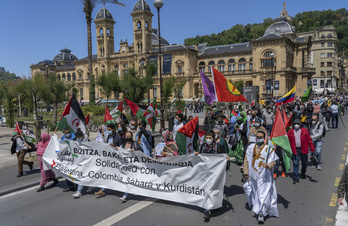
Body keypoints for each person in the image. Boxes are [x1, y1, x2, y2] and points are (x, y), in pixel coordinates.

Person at [243, 131, 279, 224]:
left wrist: (268, 165)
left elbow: (273, 162)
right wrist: (246, 173)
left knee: (263, 194)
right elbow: (246, 161)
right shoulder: (250, 148)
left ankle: (261, 214)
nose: (259, 138)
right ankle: (257, 208)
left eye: (261, 137)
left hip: (264, 176)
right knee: (256, 193)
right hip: (253, 175)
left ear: (264, 138)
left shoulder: (268, 149)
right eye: (258, 137)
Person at [195, 130, 228, 221]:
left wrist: (226, 158)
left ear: (214, 139)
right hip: (205, 172)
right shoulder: (203, 146)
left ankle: (212, 207)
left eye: (210, 138)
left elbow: (223, 157)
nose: (208, 139)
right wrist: (197, 155)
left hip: (215, 173)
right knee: (207, 189)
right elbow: (201, 158)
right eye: (207, 138)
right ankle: (207, 208)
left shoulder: (219, 147)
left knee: (213, 190)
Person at [95, 123, 122, 197]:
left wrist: (116, 147)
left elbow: (122, 148)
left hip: (116, 159)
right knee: (106, 173)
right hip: (108, 159)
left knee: (116, 174)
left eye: (109, 130)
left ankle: (120, 187)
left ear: (113, 129)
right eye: (107, 129)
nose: (108, 131)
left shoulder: (118, 137)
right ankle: (102, 190)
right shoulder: (107, 136)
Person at [288, 119, 315, 184]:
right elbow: (288, 141)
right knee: (295, 163)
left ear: (300, 125)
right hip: (295, 150)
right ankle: (296, 177)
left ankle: (303, 172)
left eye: (297, 124)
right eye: (295, 124)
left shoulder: (305, 131)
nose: (296, 125)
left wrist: (312, 148)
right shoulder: (290, 132)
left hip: (303, 149)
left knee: (304, 163)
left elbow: (309, 140)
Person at [119, 131, 143, 202]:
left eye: (129, 136)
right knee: (127, 180)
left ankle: (126, 194)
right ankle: (127, 193)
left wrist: (134, 151)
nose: (128, 138)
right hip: (126, 166)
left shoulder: (135, 144)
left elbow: (141, 152)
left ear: (132, 136)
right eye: (127, 136)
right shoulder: (123, 144)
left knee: (130, 179)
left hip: (134, 165)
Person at [73, 129, 90, 198]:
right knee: (81, 175)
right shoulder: (76, 141)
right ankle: (89, 186)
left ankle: (79, 191)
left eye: (79, 137)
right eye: (77, 138)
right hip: (79, 160)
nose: (78, 139)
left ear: (82, 135)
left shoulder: (87, 141)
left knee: (81, 175)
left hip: (86, 160)